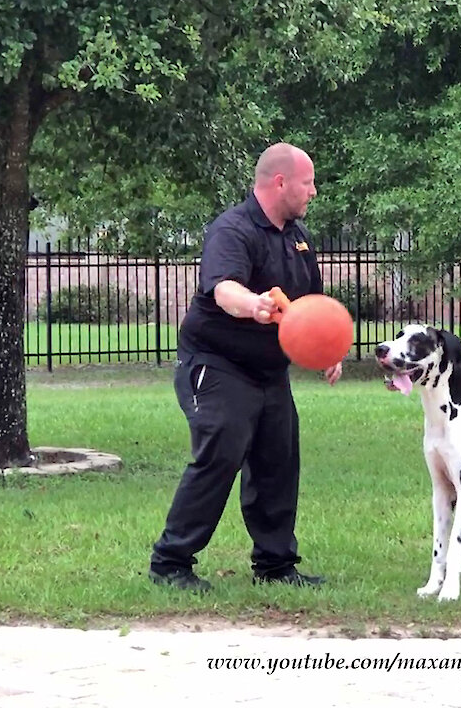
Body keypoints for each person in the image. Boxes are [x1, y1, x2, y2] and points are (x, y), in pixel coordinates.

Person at [149, 142, 341, 591]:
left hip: (268, 371)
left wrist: (326, 349)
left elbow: (309, 306)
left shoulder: (297, 237)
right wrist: (252, 303)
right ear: (281, 182)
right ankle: (171, 563)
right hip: (216, 363)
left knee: (278, 459)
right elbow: (222, 289)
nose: (313, 191)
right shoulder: (232, 230)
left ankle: (276, 567)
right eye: (307, 182)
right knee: (223, 448)